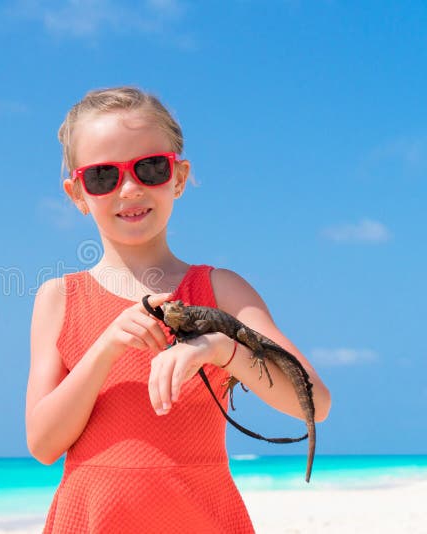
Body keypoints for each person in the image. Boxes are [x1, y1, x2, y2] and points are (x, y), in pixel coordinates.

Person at [25, 86, 331, 533]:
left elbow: (315, 402)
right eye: (103, 177)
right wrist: (105, 347)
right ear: (77, 193)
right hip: (90, 518)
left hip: (200, 516)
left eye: (149, 168)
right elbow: (44, 443)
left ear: (179, 177)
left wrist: (219, 349)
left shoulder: (220, 290)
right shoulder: (59, 297)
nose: (129, 188)